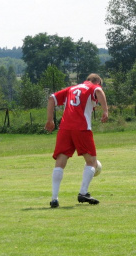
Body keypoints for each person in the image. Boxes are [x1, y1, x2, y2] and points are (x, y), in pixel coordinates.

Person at [44, 74, 109, 208]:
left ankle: (54, 198)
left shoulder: (71, 89)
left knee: (60, 161)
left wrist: (50, 120)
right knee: (91, 161)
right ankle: (83, 192)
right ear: (97, 81)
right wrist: (105, 110)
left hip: (65, 128)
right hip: (81, 128)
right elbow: (98, 91)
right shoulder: (93, 87)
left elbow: (51, 98)